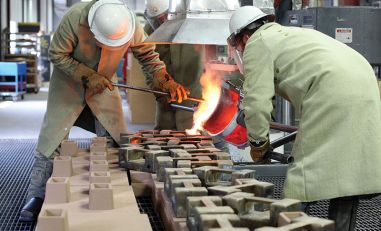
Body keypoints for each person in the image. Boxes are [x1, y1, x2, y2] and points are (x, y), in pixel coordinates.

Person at [19, 0, 188, 221]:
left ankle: (111, 191)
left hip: (104, 84)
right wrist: (87, 75)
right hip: (68, 82)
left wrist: (164, 79)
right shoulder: (74, 18)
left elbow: (147, 55)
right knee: (52, 140)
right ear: (92, 29)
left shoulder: (130, 24)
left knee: (114, 139)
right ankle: (37, 196)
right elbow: (56, 53)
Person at [227, 6, 381, 231]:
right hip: (366, 86)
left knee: (302, 177)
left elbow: (257, 102)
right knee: (350, 172)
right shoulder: (288, 34)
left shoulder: (257, 43)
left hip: (332, 92)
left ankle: (293, 225)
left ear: (245, 37)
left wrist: (258, 143)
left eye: (239, 46)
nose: (241, 50)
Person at [142, 0, 229, 152]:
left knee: (200, 149)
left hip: (194, 99)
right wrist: (158, 93)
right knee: (163, 149)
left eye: (165, 17)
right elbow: (146, 65)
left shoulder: (192, 23)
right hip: (166, 104)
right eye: (157, 20)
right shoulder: (149, 30)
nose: (162, 21)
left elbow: (215, 53)